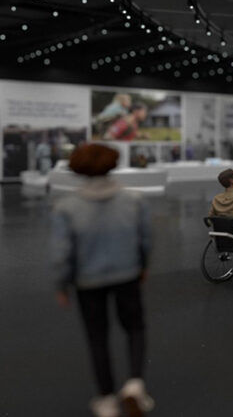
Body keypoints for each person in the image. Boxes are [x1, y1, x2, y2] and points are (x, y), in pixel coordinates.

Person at [50, 143, 154, 417]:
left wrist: (62, 284)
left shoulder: (66, 207)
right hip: (127, 274)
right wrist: (143, 267)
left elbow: (61, 253)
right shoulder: (134, 200)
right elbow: (145, 240)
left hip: (88, 281)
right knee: (135, 328)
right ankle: (134, 383)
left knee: (97, 337)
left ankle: (106, 398)